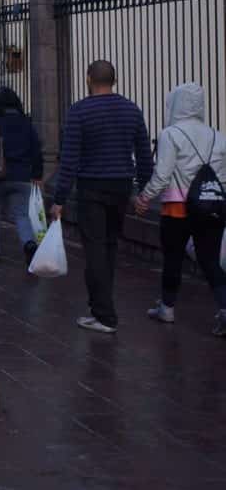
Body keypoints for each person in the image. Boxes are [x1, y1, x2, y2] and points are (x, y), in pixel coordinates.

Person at [50, 60, 152, 334]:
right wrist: (144, 191)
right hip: (121, 186)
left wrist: (59, 198)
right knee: (109, 246)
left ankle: (103, 314)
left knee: (94, 249)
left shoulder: (79, 111)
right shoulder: (132, 110)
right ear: (114, 80)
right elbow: (144, 154)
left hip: (91, 187)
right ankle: (102, 306)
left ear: (87, 79)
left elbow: (69, 159)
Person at [134, 82, 226, 335]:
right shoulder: (218, 136)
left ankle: (167, 308)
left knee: (173, 258)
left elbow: (163, 175)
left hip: (177, 208)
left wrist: (144, 197)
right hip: (211, 208)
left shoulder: (170, 134)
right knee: (210, 261)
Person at [0, 86, 43, 264]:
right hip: (22, 177)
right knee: (22, 214)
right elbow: (37, 150)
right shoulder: (26, 123)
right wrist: (38, 174)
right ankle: (28, 243)